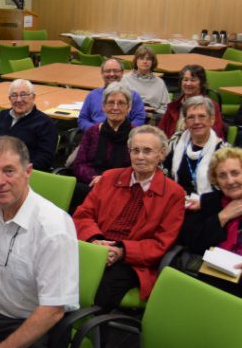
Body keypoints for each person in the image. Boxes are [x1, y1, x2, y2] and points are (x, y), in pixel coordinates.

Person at [0, 136, 79, 348]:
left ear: (27, 172)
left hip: (34, 323)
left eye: (9, 171)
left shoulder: (53, 227)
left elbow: (53, 310)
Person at [73, 126, 185, 310]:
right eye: (135, 150)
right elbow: (83, 214)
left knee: (102, 287)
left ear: (162, 154)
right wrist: (95, 241)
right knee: (56, 271)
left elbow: (161, 243)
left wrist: (121, 251)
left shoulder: (174, 194)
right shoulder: (109, 178)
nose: (140, 157)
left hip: (132, 260)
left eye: (148, 151)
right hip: (94, 246)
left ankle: (92, 333)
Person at [184, 147, 242, 296]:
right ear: (216, 180)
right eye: (222, 175)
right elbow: (195, 244)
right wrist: (222, 217)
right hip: (212, 276)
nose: (230, 181)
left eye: (235, 173)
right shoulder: (209, 203)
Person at [0, 80, 58, 172]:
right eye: (14, 95)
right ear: (9, 99)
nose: (19, 100)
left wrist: (16, 170)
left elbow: (45, 158)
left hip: (22, 175)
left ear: (33, 97)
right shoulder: (1, 116)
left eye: (24, 95)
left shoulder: (45, 123)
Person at [164, 96, 228, 202]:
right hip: (176, 201)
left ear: (212, 120)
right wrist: (173, 191)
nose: (196, 121)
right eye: (191, 117)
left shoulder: (222, 152)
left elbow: (226, 189)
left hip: (209, 205)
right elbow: (163, 172)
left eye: (202, 116)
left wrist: (202, 201)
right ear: (185, 121)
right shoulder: (175, 142)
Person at [73, 82, 133, 187]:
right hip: (93, 184)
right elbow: (79, 165)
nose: (115, 107)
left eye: (121, 103)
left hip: (123, 186)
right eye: (110, 103)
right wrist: (95, 178)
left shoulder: (136, 135)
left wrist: (107, 179)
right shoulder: (92, 132)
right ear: (104, 107)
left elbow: (138, 168)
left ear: (129, 107)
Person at [78, 58, 146, 131]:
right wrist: (95, 130)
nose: (112, 74)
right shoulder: (92, 95)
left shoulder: (134, 96)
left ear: (122, 73)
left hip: (124, 137)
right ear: (102, 73)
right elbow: (83, 118)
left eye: (115, 71)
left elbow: (139, 119)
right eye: (108, 71)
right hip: (96, 136)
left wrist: (124, 130)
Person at [158, 64, 223, 140]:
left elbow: (215, 133)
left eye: (193, 80)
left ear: (201, 83)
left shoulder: (211, 106)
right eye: (185, 80)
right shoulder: (174, 106)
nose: (188, 84)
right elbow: (160, 131)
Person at [121, 46, 170, 115]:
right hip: (131, 116)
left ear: (153, 62)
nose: (145, 61)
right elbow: (119, 104)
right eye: (141, 58)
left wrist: (154, 111)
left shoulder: (159, 82)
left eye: (148, 59)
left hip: (154, 118)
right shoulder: (124, 79)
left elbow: (167, 108)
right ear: (136, 61)